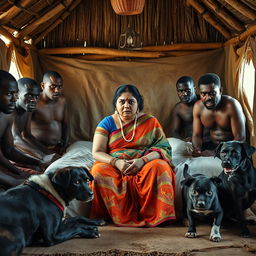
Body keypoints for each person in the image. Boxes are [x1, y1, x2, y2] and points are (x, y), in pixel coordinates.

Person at [90, 84, 176, 227]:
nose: (126, 106)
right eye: (122, 101)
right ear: (115, 104)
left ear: (138, 104)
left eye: (131, 102)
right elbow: (97, 152)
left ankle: (157, 215)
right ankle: (107, 215)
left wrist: (142, 161)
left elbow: (163, 148)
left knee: (160, 167)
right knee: (98, 172)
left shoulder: (150, 121)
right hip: (115, 165)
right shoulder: (107, 122)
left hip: (144, 164)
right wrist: (116, 162)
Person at [0, 70, 45, 190]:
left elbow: (8, 150)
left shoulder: (7, 115)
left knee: (39, 176)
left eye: (15, 93)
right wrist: (13, 180)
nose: (15, 99)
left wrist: (39, 162)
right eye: (9, 93)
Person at [192, 73, 246, 156]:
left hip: (232, 151)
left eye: (212, 93)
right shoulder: (198, 107)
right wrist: (197, 149)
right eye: (204, 94)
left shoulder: (232, 105)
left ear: (220, 90)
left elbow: (240, 138)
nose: (208, 97)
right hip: (212, 147)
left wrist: (215, 153)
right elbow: (197, 135)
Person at [12, 78, 55, 160]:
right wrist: (42, 156)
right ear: (17, 94)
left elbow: (27, 136)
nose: (34, 100)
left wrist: (48, 152)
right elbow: (15, 139)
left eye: (36, 96)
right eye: (29, 95)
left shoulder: (27, 109)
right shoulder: (10, 110)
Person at [30, 71, 69, 155]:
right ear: (43, 86)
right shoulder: (34, 103)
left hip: (57, 147)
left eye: (60, 87)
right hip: (37, 149)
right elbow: (24, 134)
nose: (57, 90)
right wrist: (45, 152)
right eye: (53, 86)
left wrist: (65, 145)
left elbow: (65, 124)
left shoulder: (62, 100)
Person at [170, 76, 198, 141]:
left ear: (194, 89)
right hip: (189, 144)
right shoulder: (178, 108)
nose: (184, 94)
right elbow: (175, 131)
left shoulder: (204, 103)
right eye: (180, 91)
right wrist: (183, 141)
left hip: (207, 142)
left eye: (187, 90)